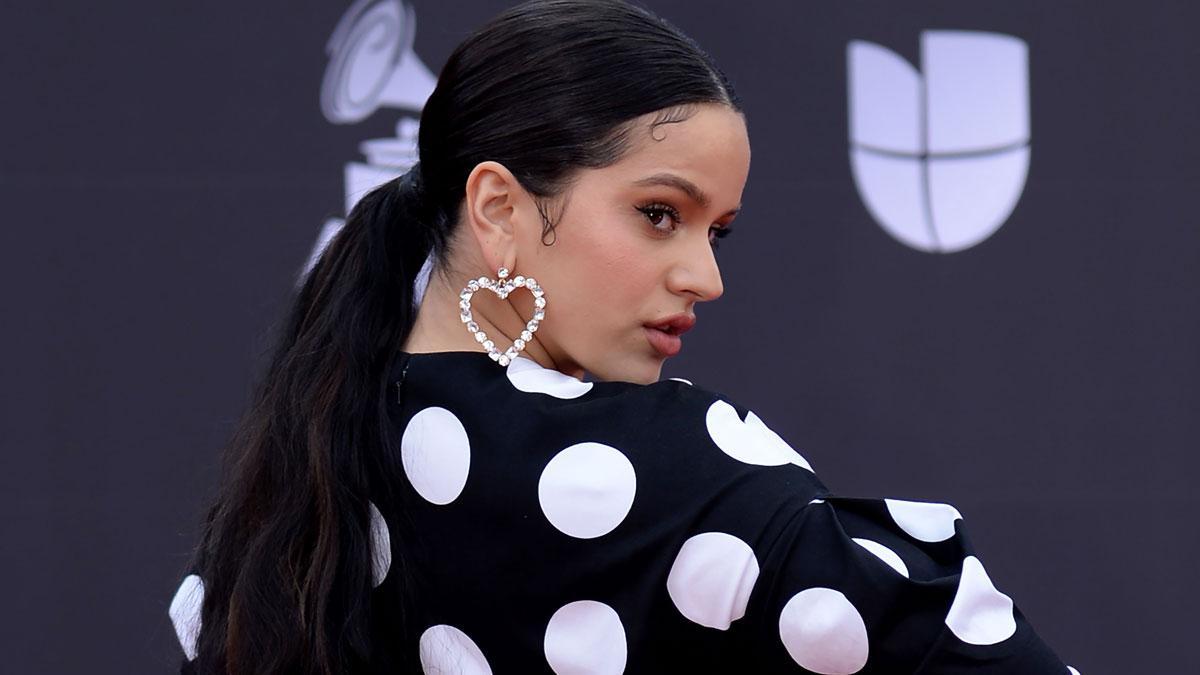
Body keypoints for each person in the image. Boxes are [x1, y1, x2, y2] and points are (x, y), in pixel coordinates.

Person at [168, 0, 1084, 673]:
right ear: (500, 207)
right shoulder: (684, 468)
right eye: (659, 213)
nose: (706, 276)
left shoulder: (291, 488)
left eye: (716, 230)